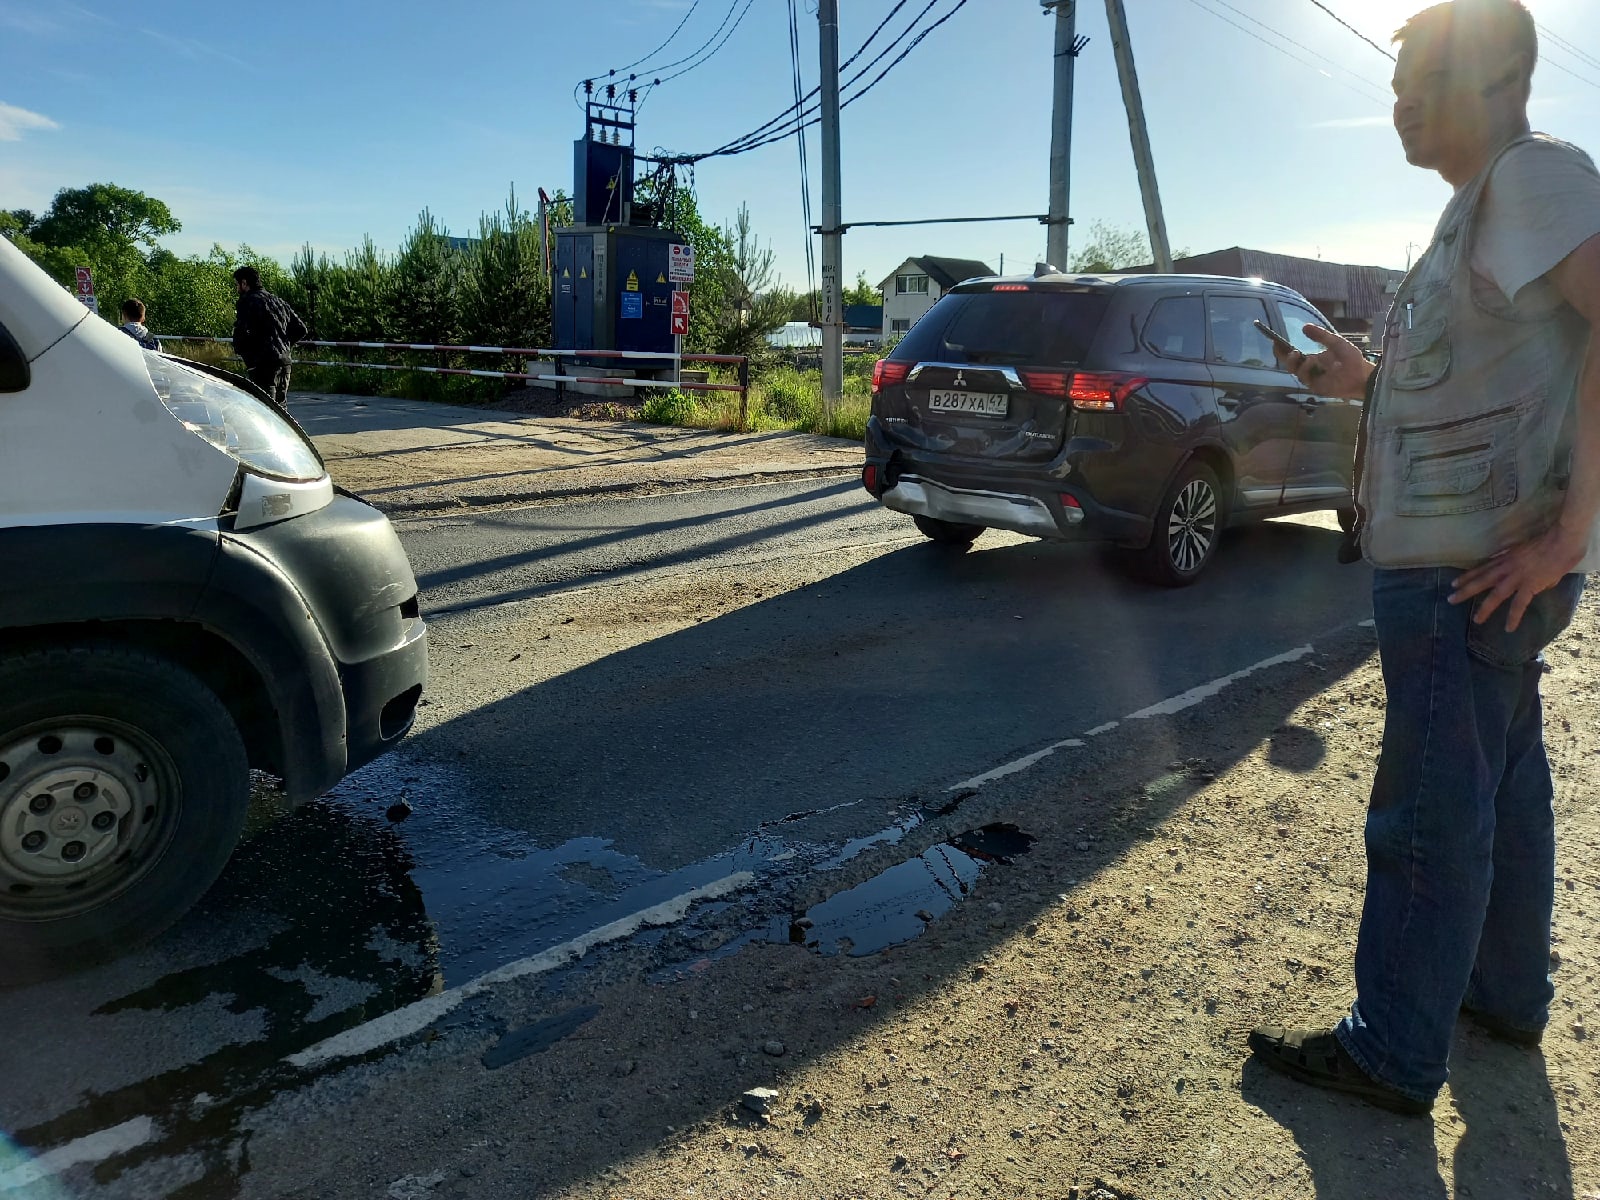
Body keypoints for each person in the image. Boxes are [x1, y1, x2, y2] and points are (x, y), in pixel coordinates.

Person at [1247, 0, 1600, 1116]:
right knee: (1502, 790)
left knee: (1427, 813)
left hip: (1471, 572)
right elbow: (1485, 373)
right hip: (1472, 567)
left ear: (1488, 83)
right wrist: (1362, 379)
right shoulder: (1476, 210)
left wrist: (1570, 531)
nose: (1395, 106)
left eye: (1413, 86)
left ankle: (1394, 1045)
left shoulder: (1530, 179)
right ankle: (1502, 994)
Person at [232, 265, 307, 409]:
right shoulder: (279, 301)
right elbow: (301, 329)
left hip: (262, 363)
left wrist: (246, 354)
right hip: (284, 361)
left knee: (264, 408)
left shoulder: (247, 301)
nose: (237, 288)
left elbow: (240, 331)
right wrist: (284, 345)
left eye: (237, 284)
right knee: (281, 409)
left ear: (244, 283)